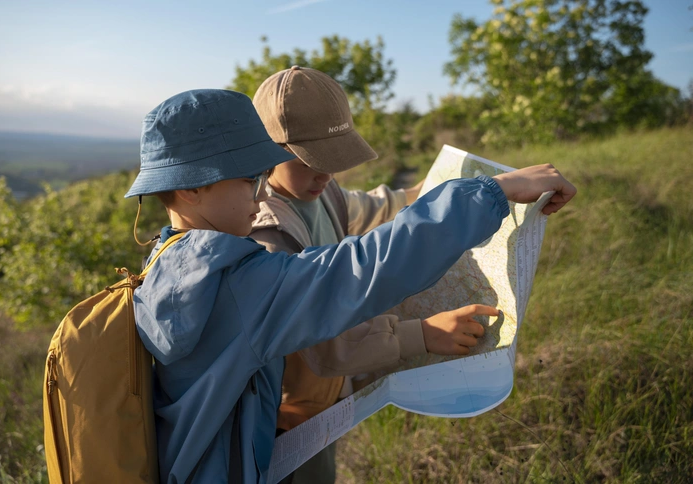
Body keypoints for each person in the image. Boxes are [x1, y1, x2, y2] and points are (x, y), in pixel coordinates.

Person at [125, 87, 576, 483]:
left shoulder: (173, 262)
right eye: (250, 180)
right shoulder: (242, 285)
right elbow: (364, 266)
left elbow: (369, 216)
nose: (262, 194)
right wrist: (491, 193)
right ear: (190, 190)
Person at [250, 66, 498, 484]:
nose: (326, 175)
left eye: (334, 160)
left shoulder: (323, 192)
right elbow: (319, 341)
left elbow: (370, 206)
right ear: (267, 151)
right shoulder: (265, 233)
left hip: (327, 400)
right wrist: (420, 335)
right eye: (312, 162)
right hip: (288, 416)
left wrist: (430, 190)